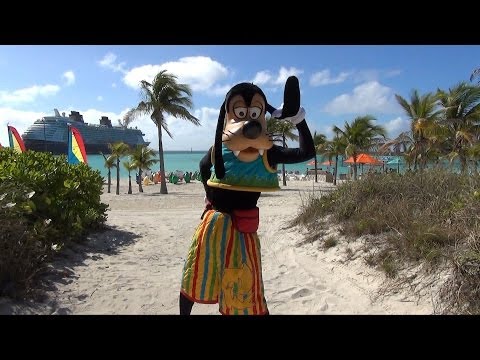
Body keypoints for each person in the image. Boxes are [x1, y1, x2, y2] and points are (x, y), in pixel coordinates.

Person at [179, 76, 315, 315]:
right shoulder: (266, 153)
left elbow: (203, 167)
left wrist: (209, 196)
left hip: (217, 223)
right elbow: (307, 152)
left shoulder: (238, 150)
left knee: (200, 273)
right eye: (241, 112)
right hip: (239, 229)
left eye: (254, 114)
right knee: (241, 284)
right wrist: (298, 122)